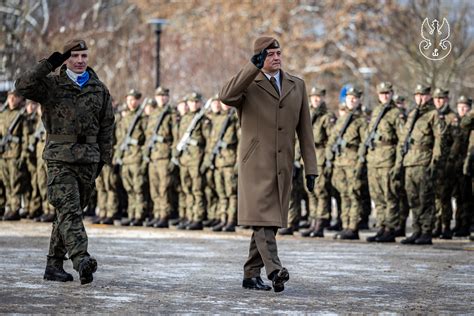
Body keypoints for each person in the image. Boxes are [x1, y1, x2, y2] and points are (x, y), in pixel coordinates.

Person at [220, 36, 317, 292]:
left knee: (269, 221)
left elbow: (305, 131)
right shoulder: (248, 85)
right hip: (256, 165)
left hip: (283, 165)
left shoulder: (297, 85)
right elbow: (225, 95)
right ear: (260, 58)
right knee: (263, 219)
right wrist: (252, 67)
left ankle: (251, 274)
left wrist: (311, 168)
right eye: (270, 54)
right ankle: (275, 270)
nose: (276, 57)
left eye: (278, 52)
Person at [15, 39, 115, 284]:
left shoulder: (98, 88)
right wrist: (49, 63)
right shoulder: (52, 85)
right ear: (66, 59)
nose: (80, 60)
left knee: (67, 213)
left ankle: (53, 265)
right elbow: (22, 86)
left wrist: (104, 158)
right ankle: (81, 259)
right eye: (74, 56)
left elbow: (107, 126)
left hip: (88, 160)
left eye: (83, 56)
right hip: (60, 158)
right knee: (70, 211)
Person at [394, 84, 447, 245]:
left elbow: (440, 140)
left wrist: (435, 162)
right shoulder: (412, 114)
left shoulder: (433, 115)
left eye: (423, 95)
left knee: (426, 198)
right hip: (410, 161)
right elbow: (403, 140)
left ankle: (426, 231)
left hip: (424, 161)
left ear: (429, 96)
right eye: (417, 95)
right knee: (413, 198)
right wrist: (399, 163)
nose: (420, 98)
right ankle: (416, 230)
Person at [325, 86, 368, 240]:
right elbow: (332, 138)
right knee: (343, 195)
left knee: (353, 194)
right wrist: (329, 152)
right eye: (349, 97)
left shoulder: (361, 120)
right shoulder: (342, 118)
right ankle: (345, 225)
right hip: (340, 161)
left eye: (354, 98)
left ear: (359, 100)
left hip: (352, 161)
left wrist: (360, 163)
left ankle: (353, 227)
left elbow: (364, 143)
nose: (351, 100)